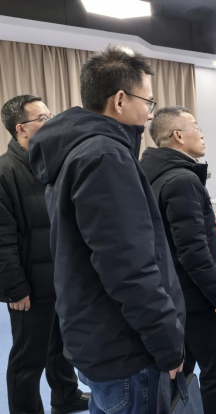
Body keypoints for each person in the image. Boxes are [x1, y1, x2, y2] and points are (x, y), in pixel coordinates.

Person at [28, 46, 186, 414]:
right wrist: (168, 344)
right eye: (148, 102)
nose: (150, 113)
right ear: (119, 100)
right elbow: (129, 268)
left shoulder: (75, 150)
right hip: (126, 348)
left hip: (97, 337)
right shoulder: (105, 156)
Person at [140, 106, 216, 414]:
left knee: (183, 367)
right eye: (197, 127)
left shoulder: (150, 174)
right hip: (193, 296)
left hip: (170, 292)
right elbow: (192, 249)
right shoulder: (182, 180)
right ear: (178, 136)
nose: (202, 135)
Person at [0, 95, 89, 414]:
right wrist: (14, 288)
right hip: (29, 285)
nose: (51, 122)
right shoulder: (5, 171)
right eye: (43, 118)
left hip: (61, 278)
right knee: (28, 358)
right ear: (21, 128)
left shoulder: (52, 165)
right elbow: (2, 239)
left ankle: (65, 396)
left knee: (62, 346)